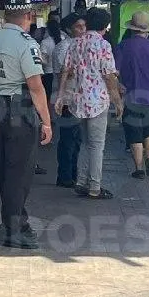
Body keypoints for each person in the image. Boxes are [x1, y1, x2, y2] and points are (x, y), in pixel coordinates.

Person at [0, 0, 52, 249]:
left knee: (5, 171)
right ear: (28, 16)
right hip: (18, 109)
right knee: (19, 173)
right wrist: (46, 121)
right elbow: (35, 86)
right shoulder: (27, 44)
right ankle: (14, 228)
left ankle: (10, 225)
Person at [56, 7, 123, 199]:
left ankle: (82, 181)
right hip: (98, 100)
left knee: (86, 143)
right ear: (105, 26)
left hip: (78, 99)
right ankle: (94, 186)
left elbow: (66, 71)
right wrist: (118, 102)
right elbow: (109, 76)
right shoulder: (103, 45)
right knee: (97, 145)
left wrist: (61, 96)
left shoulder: (75, 44)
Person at [114, 11, 149, 179]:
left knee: (134, 132)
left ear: (131, 29)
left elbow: (115, 71)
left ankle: (139, 168)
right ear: (147, 31)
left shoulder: (123, 46)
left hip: (131, 96)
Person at [52, 13, 86, 187]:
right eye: (78, 27)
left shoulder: (80, 46)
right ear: (68, 29)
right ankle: (64, 176)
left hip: (78, 99)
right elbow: (64, 73)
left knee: (77, 139)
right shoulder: (63, 47)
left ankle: (72, 173)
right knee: (67, 140)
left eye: (83, 26)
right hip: (66, 99)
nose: (83, 30)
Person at [40, 19, 63, 97]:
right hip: (62, 74)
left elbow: (44, 61)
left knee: (48, 97)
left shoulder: (45, 42)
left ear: (48, 29)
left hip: (48, 74)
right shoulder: (64, 40)